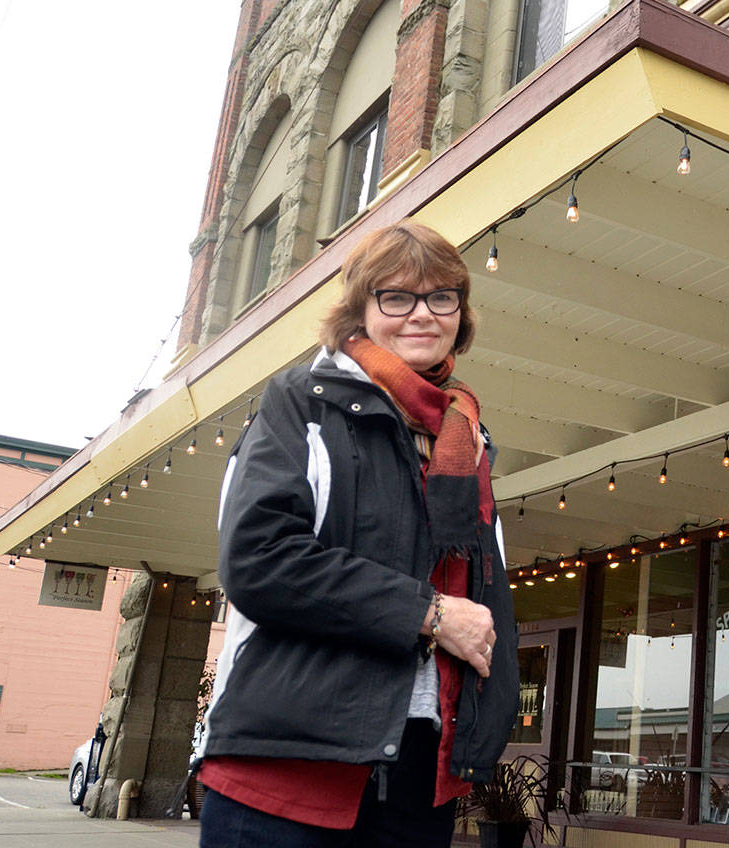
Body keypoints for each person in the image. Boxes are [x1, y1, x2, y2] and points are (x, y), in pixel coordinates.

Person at [193, 220, 519, 847]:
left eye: (441, 296)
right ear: (361, 309)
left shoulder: (467, 439)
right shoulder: (301, 403)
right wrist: (430, 613)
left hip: (421, 776)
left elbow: (486, 597)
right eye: (396, 297)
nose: (421, 314)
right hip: (286, 771)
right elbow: (258, 559)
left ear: (461, 311)